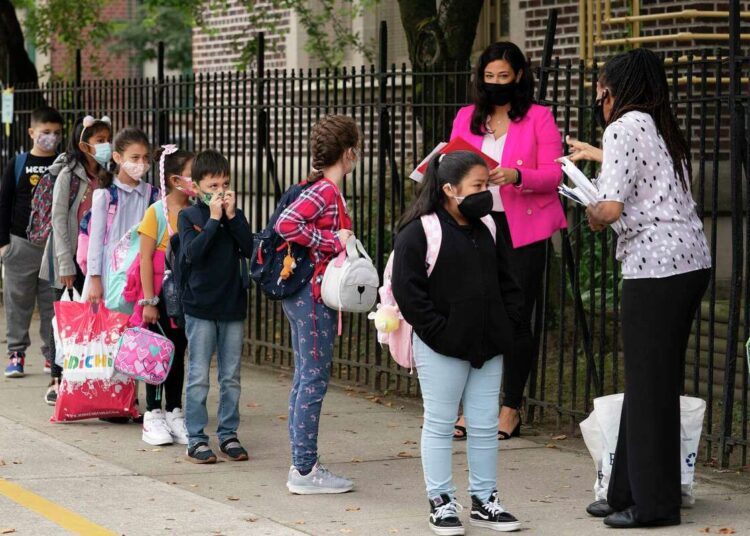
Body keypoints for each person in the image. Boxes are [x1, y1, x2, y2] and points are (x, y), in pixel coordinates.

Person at [568, 48, 711, 529]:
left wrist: (588, 209)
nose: (599, 100)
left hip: (655, 266)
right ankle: (624, 489)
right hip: (689, 262)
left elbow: (609, 209)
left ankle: (654, 505)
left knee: (650, 386)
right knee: (651, 381)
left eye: (600, 92)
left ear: (615, 90)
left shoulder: (623, 126)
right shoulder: (660, 127)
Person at [391, 151, 524, 535]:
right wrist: (440, 332)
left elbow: (509, 284)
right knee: (440, 423)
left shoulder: (490, 228)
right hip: (441, 348)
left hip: (488, 346)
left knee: (484, 425)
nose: (487, 193)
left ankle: (484, 500)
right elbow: (409, 292)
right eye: (478, 186)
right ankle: (442, 502)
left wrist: (507, 326)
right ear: (450, 189)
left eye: (487, 185)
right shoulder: (419, 231)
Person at [449, 42, 566, 440]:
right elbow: (451, 162)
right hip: (475, 223)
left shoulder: (539, 118)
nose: (496, 83)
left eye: (504, 76)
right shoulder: (467, 116)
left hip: (522, 228)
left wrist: (518, 176)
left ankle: (510, 407)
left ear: (518, 77)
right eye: (489, 76)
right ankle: (470, 407)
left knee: (516, 317)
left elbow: (554, 175)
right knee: (474, 313)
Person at [274, 115, 357, 494]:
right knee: (313, 379)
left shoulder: (320, 188)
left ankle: (303, 463)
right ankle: (305, 470)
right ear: (349, 152)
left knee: (305, 377)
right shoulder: (325, 190)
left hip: (305, 293)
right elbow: (286, 224)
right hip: (311, 295)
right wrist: (332, 241)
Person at [178, 149, 253, 464]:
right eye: (212, 186)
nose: (220, 192)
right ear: (196, 187)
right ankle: (196, 438)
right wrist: (212, 221)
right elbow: (192, 255)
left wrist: (232, 218)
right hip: (200, 307)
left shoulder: (235, 216)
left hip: (232, 305)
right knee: (198, 375)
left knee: (231, 375)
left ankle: (228, 434)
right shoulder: (189, 216)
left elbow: (249, 248)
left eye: (224, 185)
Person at [40, 115, 113, 405]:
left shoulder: (109, 173)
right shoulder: (68, 173)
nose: (105, 145)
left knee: (95, 318)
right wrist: (65, 265)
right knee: (65, 319)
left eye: (108, 139)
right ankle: (57, 379)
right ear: (84, 144)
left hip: (96, 260)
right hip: (67, 257)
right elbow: (58, 219)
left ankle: (90, 375)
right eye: (99, 141)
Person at [135, 145, 195, 446]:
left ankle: (174, 410)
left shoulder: (196, 210)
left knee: (178, 354)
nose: (197, 181)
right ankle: (153, 414)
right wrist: (149, 301)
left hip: (184, 297)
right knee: (157, 354)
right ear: (174, 180)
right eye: (192, 175)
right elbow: (145, 259)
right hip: (158, 295)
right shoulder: (156, 212)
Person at [1, 106, 63, 379]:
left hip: (54, 246)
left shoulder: (63, 163)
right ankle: (16, 353)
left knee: (52, 302)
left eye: (56, 133)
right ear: (31, 132)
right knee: (18, 301)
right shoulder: (17, 164)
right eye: (45, 132)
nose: (51, 137)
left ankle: (51, 354)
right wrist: (4, 243)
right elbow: (4, 203)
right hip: (20, 243)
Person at [84, 127, 155, 304]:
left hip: (138, 273)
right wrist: (95, 280)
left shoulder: (152, 195)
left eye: (145, 158)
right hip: (107, 275)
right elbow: (96, 241)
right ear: (117, 157)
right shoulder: (106, 195)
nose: (141, 163)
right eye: (135, 158)